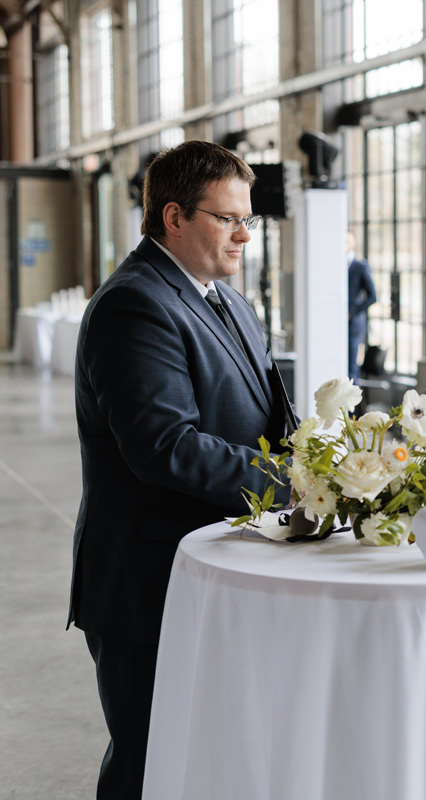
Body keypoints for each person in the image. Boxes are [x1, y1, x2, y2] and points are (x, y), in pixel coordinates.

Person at [69, 140, 294, 799]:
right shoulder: (134, 304)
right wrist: (293, 483)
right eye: (229, 219)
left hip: (216, 567)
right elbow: (165, 446)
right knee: (151, 759)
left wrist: (332, 459)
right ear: (174, 216)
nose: (245, 235)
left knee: (209, 758)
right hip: (149, 580)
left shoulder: (228, 301)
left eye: (248, 219)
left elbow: (268, 417)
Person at [346, 231, 377, 380]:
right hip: (336, 324)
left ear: (353, 244)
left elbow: (373, 296)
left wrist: (352, 312)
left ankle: (353, 396)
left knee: (351, 368)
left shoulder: (360, 266)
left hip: (353, 324)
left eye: (347, 241)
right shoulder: (334, 266)